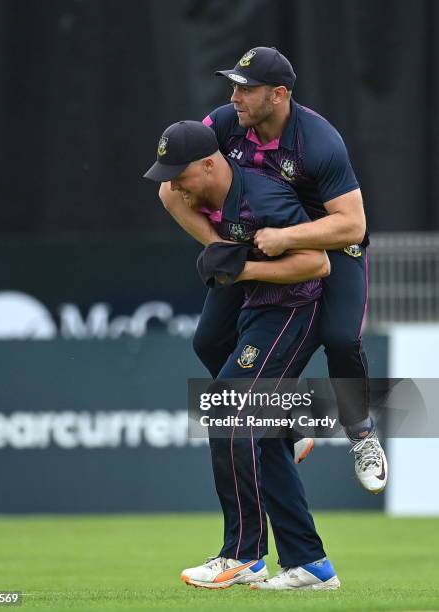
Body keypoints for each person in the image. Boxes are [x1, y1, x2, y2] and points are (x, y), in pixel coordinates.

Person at [159, 46, 387, 494]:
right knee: (208, 340)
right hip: (256, 241)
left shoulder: (319, 141)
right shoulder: (224, 122)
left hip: (329, 247)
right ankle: (283, 416)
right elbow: (171, 188)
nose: (235, 96)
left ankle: (361, 432)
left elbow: (352, 224)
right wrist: (222, 248)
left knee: (340, 338)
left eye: (247, 89)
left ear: (279, 94)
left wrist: (288, 239)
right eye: (234, 86)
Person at [144, 120, 340, 591]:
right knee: (253, 423)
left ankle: (244, 555)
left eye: (180, 173)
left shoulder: (266, 199)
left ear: (210, 165)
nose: (173, 184)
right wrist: (219, 248)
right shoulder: (191, 191)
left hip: (293, 308)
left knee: (229, 414)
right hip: (256, 306)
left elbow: (319, 262)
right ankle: (310, 564)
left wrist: (244, 266)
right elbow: (168, 197)